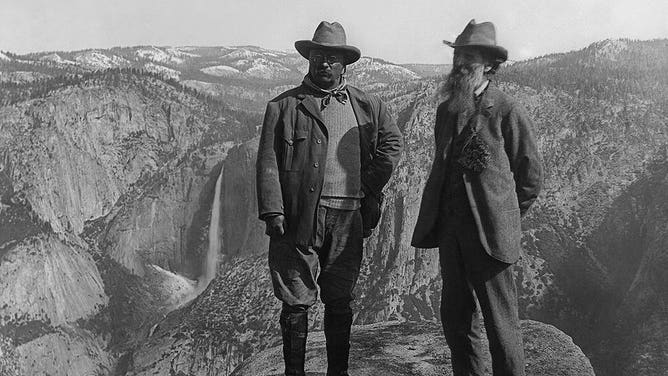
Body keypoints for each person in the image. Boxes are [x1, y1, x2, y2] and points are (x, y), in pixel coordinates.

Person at [256, 21, 403, 376]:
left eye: (332, 58)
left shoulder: (369, 106)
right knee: (295, 301)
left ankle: (338, 371)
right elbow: (267, 161)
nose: (324, 63)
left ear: (344, 64)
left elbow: (393, 145)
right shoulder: (284, 106)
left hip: (349, 218)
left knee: (339, 298)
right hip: (298, 217)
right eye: (318, 56)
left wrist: (368, 185)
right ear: (309, 59)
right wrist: (273, 210)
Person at [411, 19, 543, 376]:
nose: (461, 63)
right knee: (457, 320)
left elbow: (530, 177)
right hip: (451, 234)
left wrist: (503, 216)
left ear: (489, 64)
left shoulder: (506, 110)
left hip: (491, 239)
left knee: (501, 326)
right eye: (458, 55)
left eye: (470, 57)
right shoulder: (446, 110)